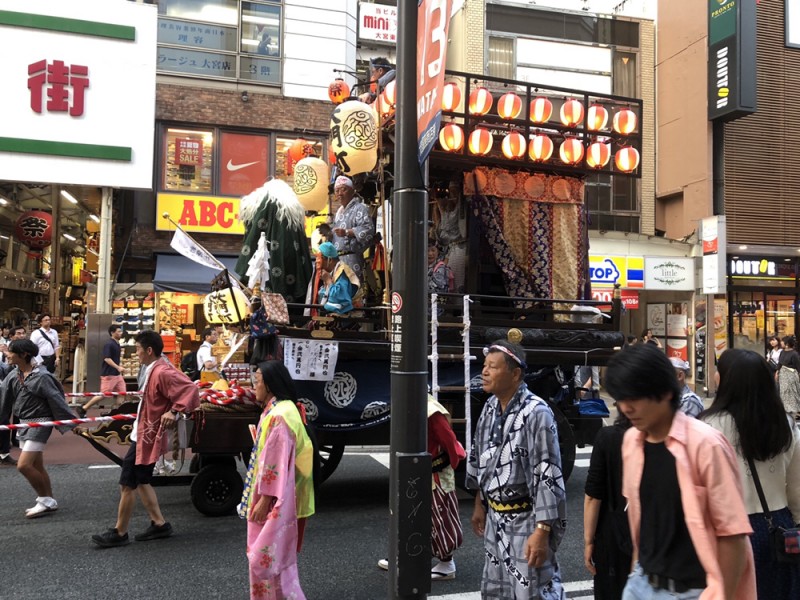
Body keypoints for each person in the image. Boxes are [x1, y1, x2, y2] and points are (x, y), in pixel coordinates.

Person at [604, 343, 756, 600]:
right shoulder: (632, 442)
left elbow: (732, 534)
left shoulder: (706, 444)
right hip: (641, 583)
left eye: (634, 398)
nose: (625, 408)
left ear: (664, 392)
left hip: (693, 590)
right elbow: (643, 519)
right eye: (620, 399)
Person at [465, 340, 566, 599]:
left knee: (531, 590)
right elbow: (481, 458)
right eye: (485, 365)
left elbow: (548, 473)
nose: (484, 372)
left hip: (526, 520)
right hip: (495, 519)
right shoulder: (489, 407)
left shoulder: (537, 413)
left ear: (515, 373)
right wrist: (480, 503)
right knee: (496, 590)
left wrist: (542, 531)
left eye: (493, 367)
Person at [700, 349, 800, 599]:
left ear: (725, 379)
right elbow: (797, 488)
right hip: (779, 526)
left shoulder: (707, 427)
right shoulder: (785, 423)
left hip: (728, 531)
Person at [92, 330, 199, 548]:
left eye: (139, 349)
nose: (136, 353)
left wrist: (175, 411)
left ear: (149, 350)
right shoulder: (154, 368)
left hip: (146, 435)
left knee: (127, 482)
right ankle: (159, 524)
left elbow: (190, 389)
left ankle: (120, 532)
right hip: (142, 432)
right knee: (141, 479)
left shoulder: (162, 371)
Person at [238, 360, 315, 600]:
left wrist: (264, 501)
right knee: (279, 562)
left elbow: (275, 464)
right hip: (286, 496)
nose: (254, 386)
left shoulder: (278, 416)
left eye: (257, 381)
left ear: (270, 385)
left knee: (265, 560)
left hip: (273, 500)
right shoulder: (285, 409)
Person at [378, 394, 466, 579]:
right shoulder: (414, 403)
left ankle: (446, 563)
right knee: (411, 514)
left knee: (439, 517)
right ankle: (407, 556)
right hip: (417, 470)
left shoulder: (431, 410)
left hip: (435, 472)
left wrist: (454, 460)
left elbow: (448, 440)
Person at [0, 339, 77, 517]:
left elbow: (57, 400)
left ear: (24, 354)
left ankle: (44, 499)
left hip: (40, 423)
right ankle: (49, 499)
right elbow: (4, 400)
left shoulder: (42, 376)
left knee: (23, 465)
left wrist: (71, 423)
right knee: (38, 466)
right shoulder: (14, 374)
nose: (7, 354)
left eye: (11, 351)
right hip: (24, 423)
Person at [583, 413, 633, 600]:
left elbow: (593, 496)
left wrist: (588, 541)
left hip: (612, 537)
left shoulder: (608, 437)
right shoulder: (661, 437)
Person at [331, 175, 374, 282]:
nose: (339, 193)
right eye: (337, 191)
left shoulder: (360, 208)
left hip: (352, 260)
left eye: (343, 189)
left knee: (353, 293)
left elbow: (368, 228)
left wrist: (347, 232)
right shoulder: (339, 212)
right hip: (338, 260)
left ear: (352, 191)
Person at [78, 324, 126, 417]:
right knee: (103, 394)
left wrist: (118, 368)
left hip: (117, 374)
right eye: (119, 331)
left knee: (122, 393)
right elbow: (107, 358)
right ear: (112, 333)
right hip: (109, 374)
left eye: (121, 331)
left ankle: (115, 411)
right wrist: (118, 367)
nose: (121, 333)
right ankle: (83, 408)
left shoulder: (117, 343)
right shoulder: (109, 344)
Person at [317, 241, 360, 314]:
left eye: (319, 258)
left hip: (347, 318)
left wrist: (328, 281)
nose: (316, 261)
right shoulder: (333, 271)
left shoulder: (342, 272)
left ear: (329, 260)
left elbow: (339, 300)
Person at [427, 240, 453, 317]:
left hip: (435, 304)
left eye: (433, 250)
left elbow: (438, 287)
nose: (430, 254)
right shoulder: (422, 265)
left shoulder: (441, 267)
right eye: (427, 251)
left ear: (438, 252)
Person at [777, 335, 800, 418]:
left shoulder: (794, 354)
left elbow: (798, 366)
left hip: (791, 375)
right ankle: (785, 408)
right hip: (783, 375)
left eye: (782, 341)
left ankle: (792, 409)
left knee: (791, 391)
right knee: (783, 391)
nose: (781, 343)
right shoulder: (782, 352)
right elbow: (779, 363)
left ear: (786, 343)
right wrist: (777, 371)